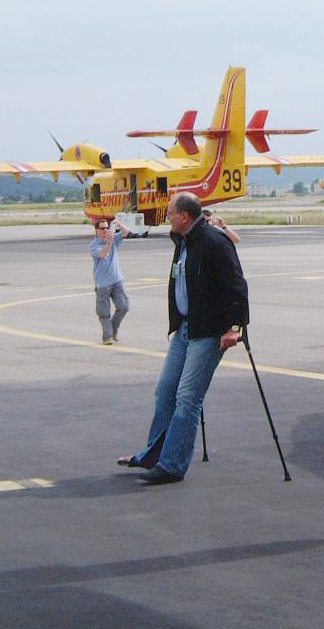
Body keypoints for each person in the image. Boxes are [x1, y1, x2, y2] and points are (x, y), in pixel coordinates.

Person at [118, 192, 249, 485]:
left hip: (209, 331)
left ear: (184, 216)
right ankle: (155, 455)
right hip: (185, 328)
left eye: (170, 213)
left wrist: (234, 327)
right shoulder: (183, 241)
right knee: (165, 392)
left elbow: (236, 285)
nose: (167, 217)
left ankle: (172, 465)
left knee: (187, 398)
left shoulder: (214, 241)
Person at [89, 218, 130, 344]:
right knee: (104, 312)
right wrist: (109, 242)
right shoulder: (94, 245)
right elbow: (103, 254)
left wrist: (118, 223)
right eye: (102, 228)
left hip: (117, 280)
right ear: (97, 230)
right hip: (103, 284)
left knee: (124, 307)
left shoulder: (113, 239)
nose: (105, 230)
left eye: (107, 228)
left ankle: (113, 329)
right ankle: (107, 336)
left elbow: (126, 232)